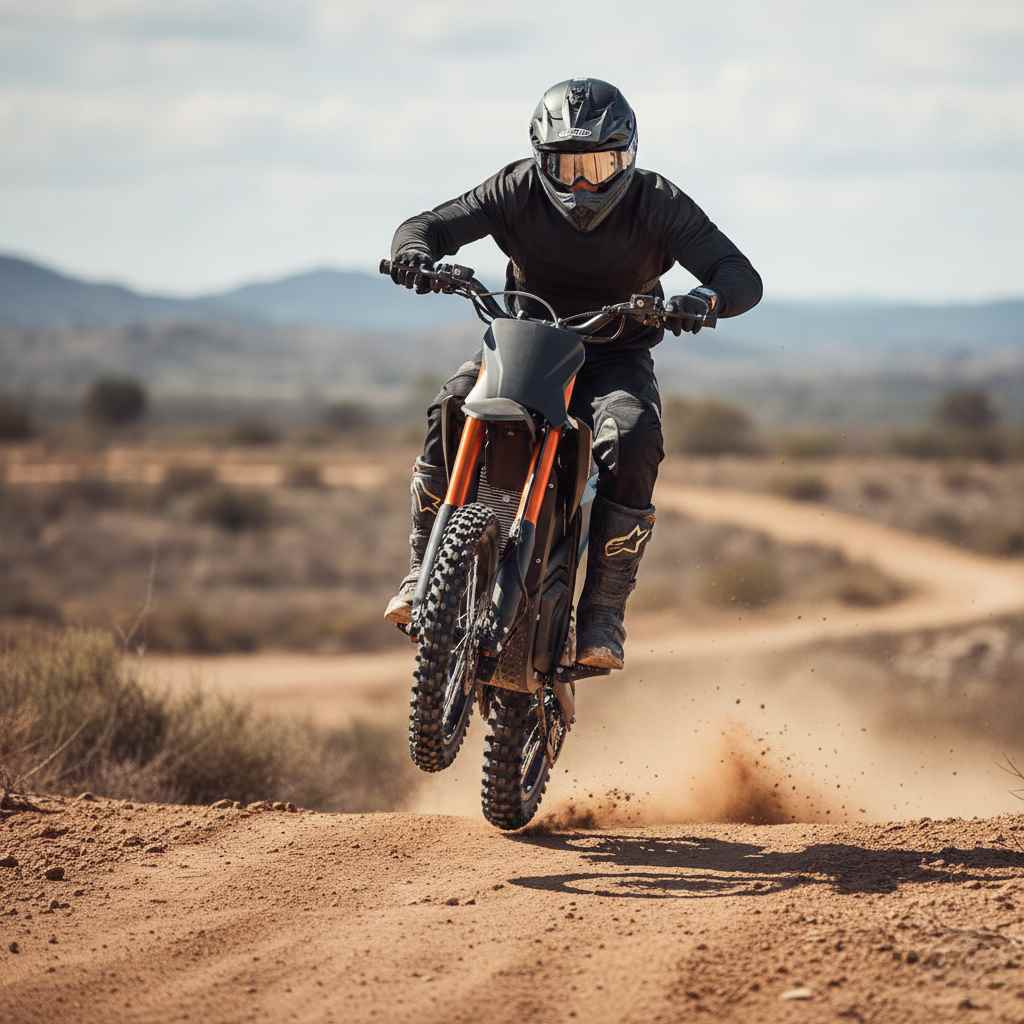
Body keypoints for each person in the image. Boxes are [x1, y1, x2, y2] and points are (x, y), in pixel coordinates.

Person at [384, 77, 762, 670]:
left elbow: (739, 274)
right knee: (452, 404)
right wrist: (415, 256)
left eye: (600, 163)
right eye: (567, 166)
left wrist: (704, 299)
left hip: (615, 357)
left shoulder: (658, 202)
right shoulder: (514, 188)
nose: (583, 181)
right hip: (524, 342)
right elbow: (429, 224)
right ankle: (421, 572)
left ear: (628, 158)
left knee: (634, 437)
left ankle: (603, 614)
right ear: (542, 160)